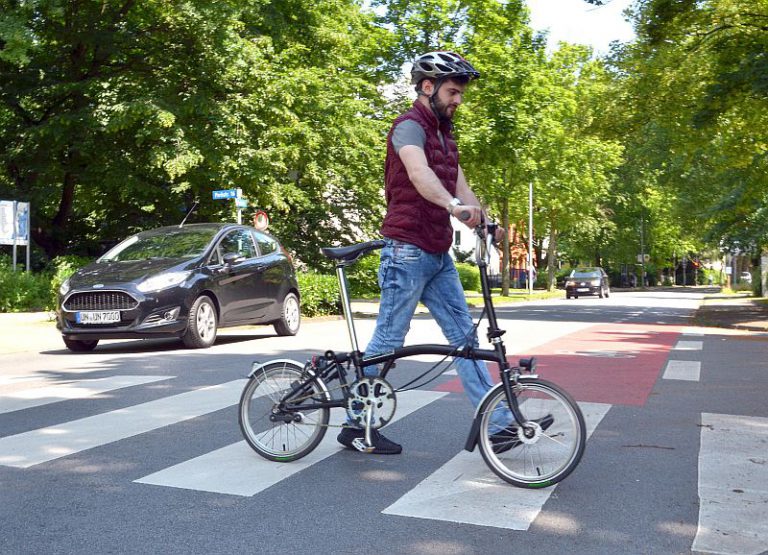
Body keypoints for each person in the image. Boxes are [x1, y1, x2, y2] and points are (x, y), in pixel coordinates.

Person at [337, 51, 541, 455]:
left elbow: (459, 186)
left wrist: (482, 219)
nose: (458, 100)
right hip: (406, 251)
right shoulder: (408, 128)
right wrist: (452, 207)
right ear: (427, 87)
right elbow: (419, 175)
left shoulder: (446, 136)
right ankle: (356, 423)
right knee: (389, 340)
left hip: (436, 253)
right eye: (452, 91)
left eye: (461, 93)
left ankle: (497, 425)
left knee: (465, 339)